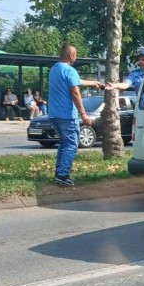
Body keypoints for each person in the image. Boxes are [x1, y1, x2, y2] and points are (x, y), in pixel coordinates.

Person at [48, 43, 104, 187]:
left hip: (54, 114)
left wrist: (93, 83)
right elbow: (75, 92)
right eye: (75, 54)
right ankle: (63, 175)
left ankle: (59, 172)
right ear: (71, 55)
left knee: (64, 144)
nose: (76, 57)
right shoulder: (70, 70)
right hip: (67, 115)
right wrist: (84, 114)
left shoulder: (55, 69)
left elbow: (75, 81)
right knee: (72, 145)